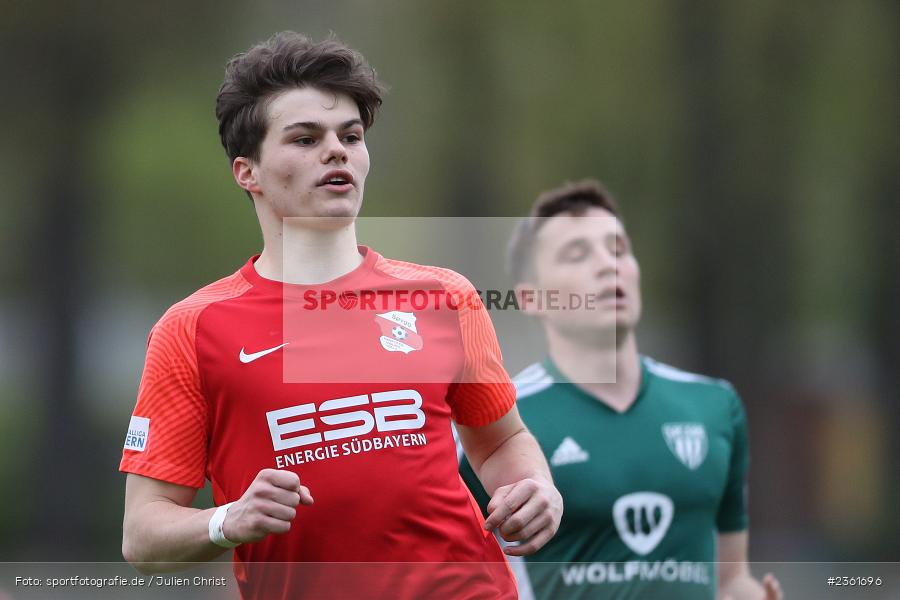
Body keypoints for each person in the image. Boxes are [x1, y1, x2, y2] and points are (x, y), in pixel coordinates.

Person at [120, 31, 562, 600]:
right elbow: (142, 532)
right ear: (246, 171)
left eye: (350, 136)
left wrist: (536, 488)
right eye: (305, 139)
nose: (337, 151)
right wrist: (225, 520)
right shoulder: (192, 329)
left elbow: (500, 442)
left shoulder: (445, 296)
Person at [460, 180, 782, 599]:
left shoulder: (715, 406)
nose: (607, 265)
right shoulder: (492, 425)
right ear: (531, 298)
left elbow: (729, 580)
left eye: (618, 250)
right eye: (577, 254)